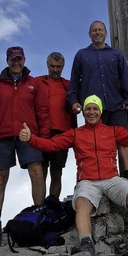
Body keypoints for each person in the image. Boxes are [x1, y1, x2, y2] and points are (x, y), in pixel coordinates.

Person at [19, 94, 128, 256]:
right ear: (83, 112)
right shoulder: (75, 133)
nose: (91, 112)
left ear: (100, 111)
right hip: (87, 181)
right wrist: (31, 138)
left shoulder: (113, 130)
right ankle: (86, 243)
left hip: (112, 179)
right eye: (88, 109)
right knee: (82, 202)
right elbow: (51, 145)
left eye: (95, 109)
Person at [0, 46, 50, 249]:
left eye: (19, 59)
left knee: (37, 173)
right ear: (7, 60)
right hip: (2, 136)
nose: (16, 62)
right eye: (13, 59)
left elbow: (42, 112)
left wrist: (43, 138)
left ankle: (39, 218)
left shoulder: (34, 84)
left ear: (24, 59)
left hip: (28, 135)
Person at [67, 21, 128, 182]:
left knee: (123, 139)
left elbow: (125, 79)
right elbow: (74, 83)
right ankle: (102, 178)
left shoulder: (116, 54)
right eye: (94, 30)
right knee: (96, 143)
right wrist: (74, 101)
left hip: (116, 105)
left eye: (100, 30)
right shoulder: (81, 55)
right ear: (89, 34)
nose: (97, 32)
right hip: (93, 110)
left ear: (105, 33)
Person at [37, 52, 78, 200]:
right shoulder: (37, 83)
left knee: (57, 171)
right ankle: (39, 206)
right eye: (52, 66)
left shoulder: (68, 86)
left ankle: (52, 203)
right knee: (40, 171)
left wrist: (75, 134)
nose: (55, 70)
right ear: (47, 65)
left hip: (62, 134)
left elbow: (74, 111)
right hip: (41, 133)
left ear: (63, 67)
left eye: (58, 67)